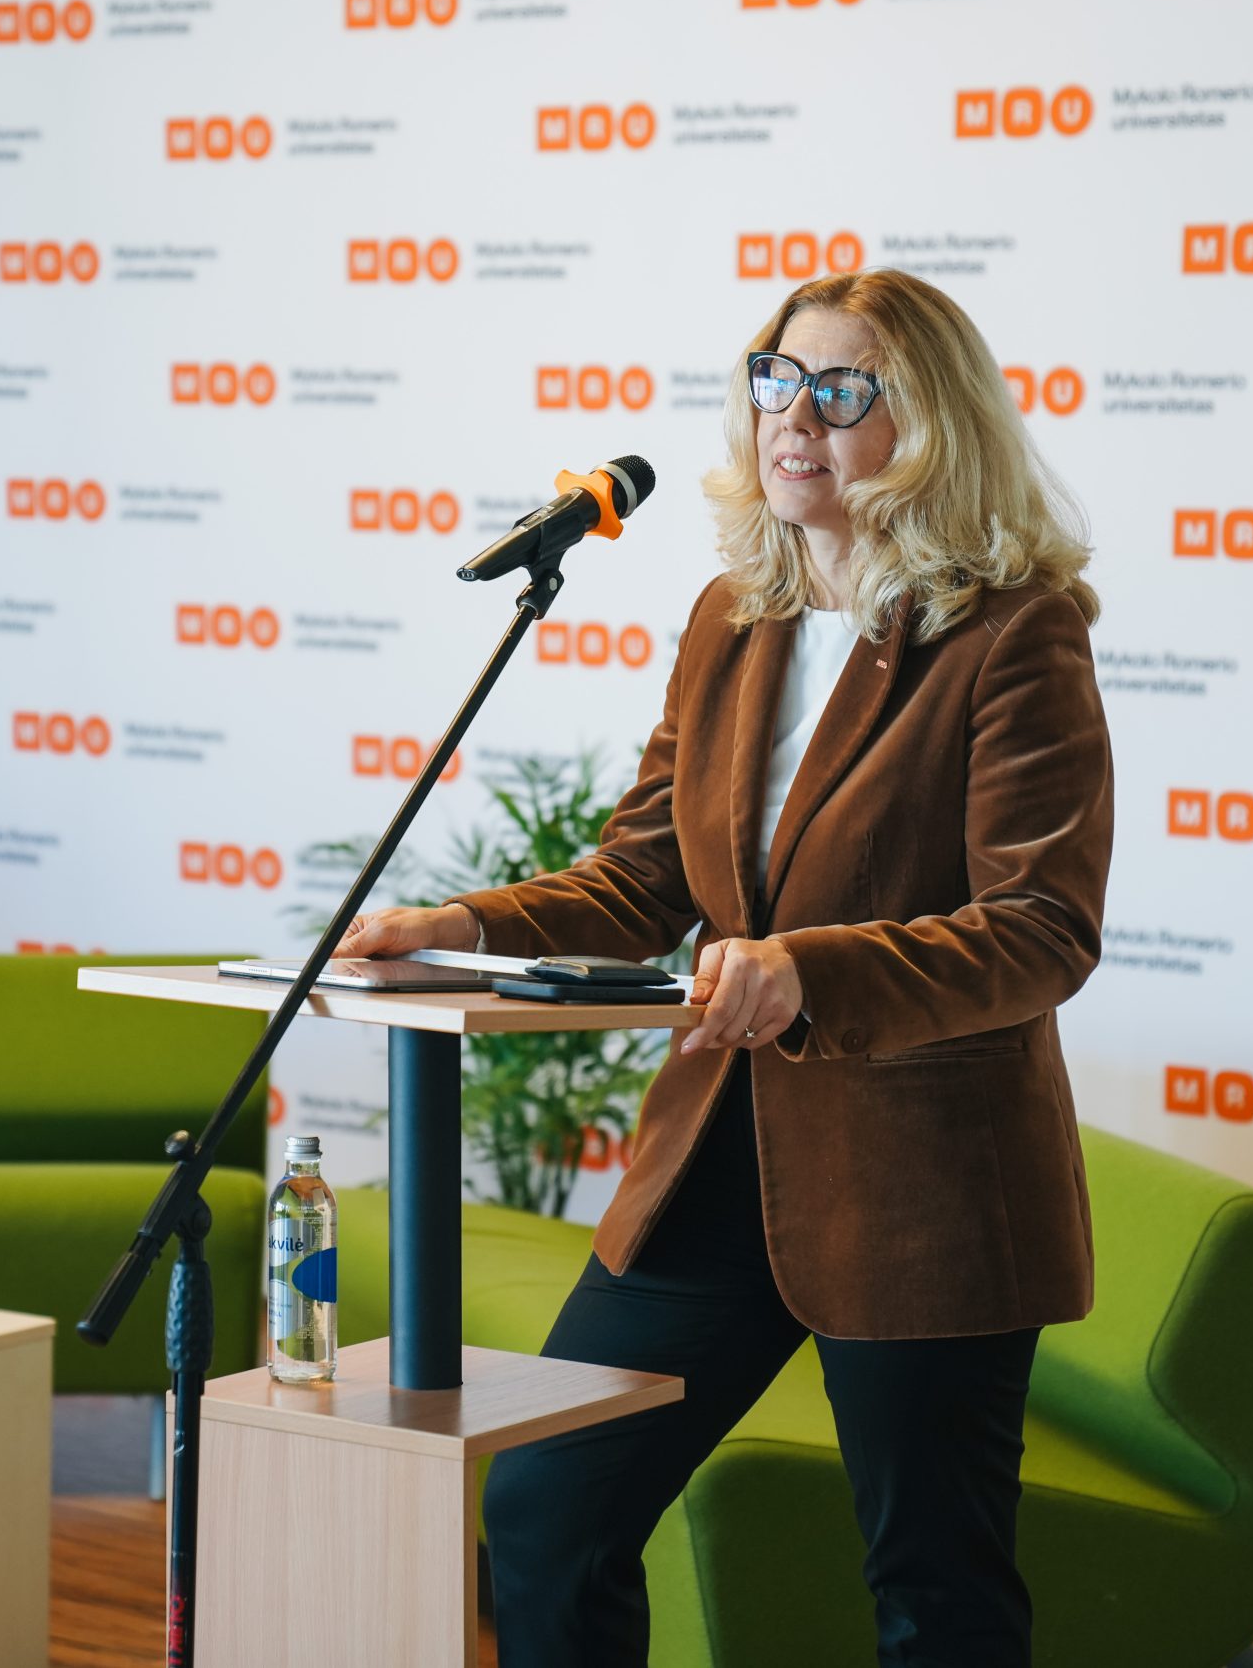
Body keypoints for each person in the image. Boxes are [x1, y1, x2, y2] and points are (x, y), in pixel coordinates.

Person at [333, 268, 1113, 1666]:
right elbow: (643, 879)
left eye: (844, 389)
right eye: (777, 380)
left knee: (936, 1595)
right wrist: (461, 925)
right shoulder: (732, 617)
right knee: (547, 1506)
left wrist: (808, 971)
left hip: (924, 1187)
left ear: (931, 425)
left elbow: (1041, 926)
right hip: (718, 1162)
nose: (796, 418)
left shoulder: (1011, 630)